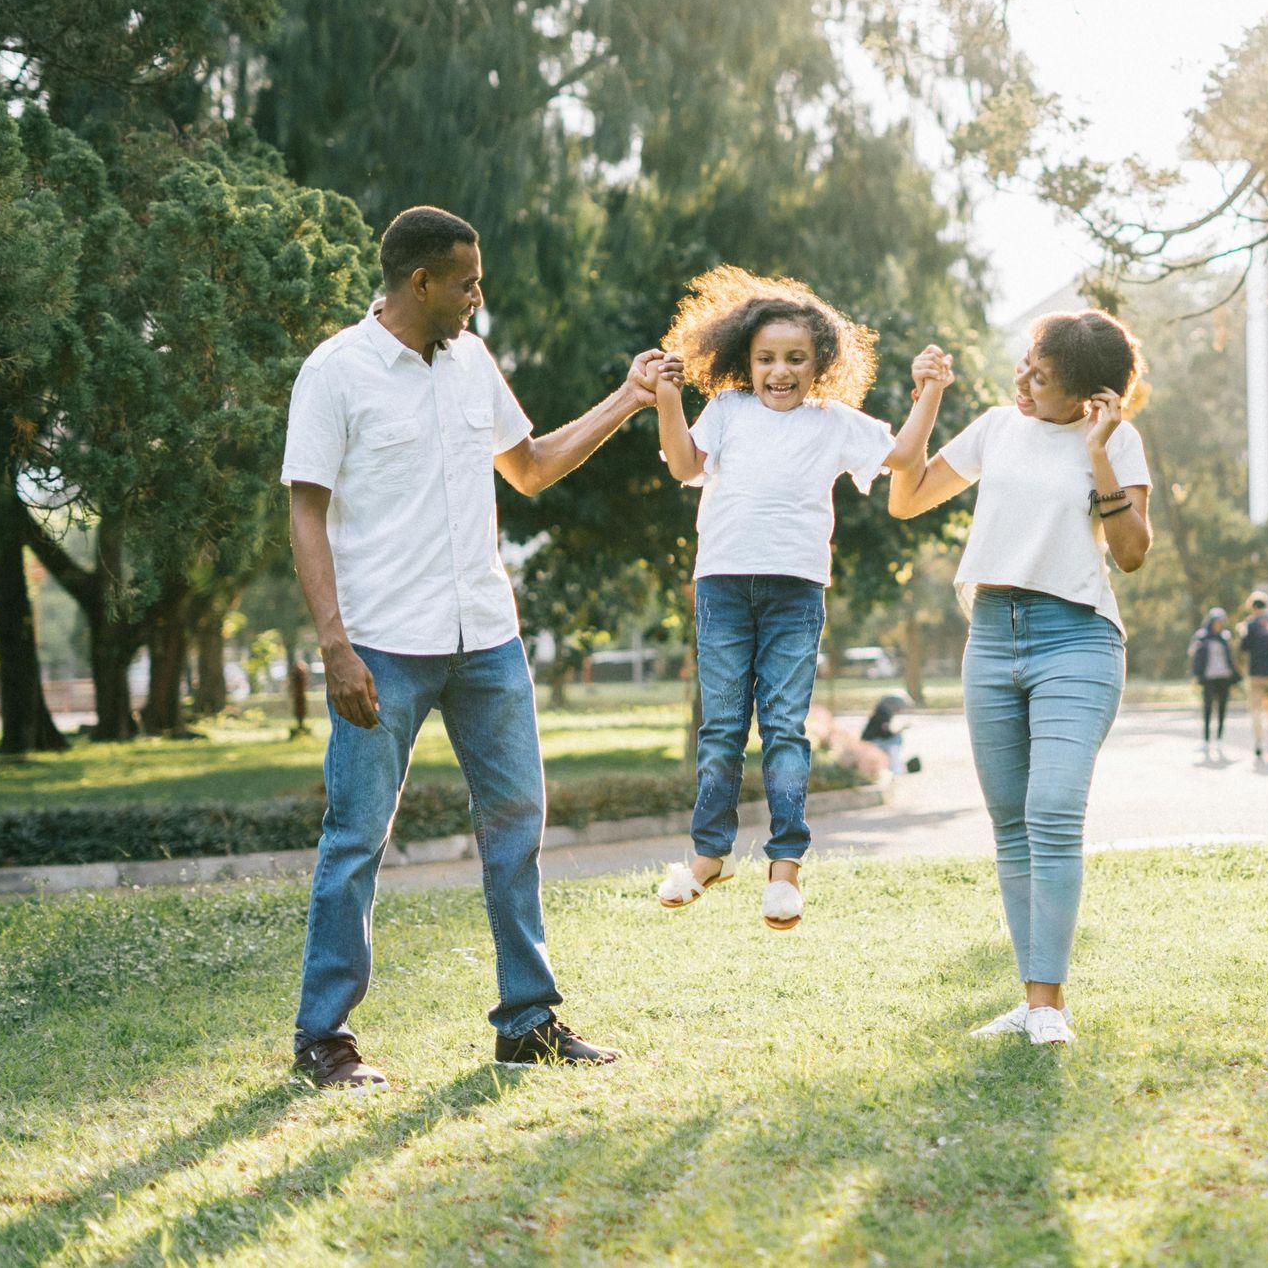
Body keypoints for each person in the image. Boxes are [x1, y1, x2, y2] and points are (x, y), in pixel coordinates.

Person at [281, 204, 663, 1089]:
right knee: (356, 838)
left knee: (517, 827)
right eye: (466, 282)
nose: (478, 297)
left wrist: (628, 397)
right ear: (420, 282)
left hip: (487, 640)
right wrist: (334, 647)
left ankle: (526, 1023)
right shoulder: (336, 372)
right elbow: (304, 509)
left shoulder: (471, 361)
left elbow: (528, 467)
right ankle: (323, 1037)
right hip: (382, 645)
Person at [650, 265, 948, 931]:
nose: (778, 372)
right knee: (723, 727)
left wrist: (927, 393)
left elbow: (902, 455)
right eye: (765, 359)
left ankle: (785, 870)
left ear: (821, 363)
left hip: (795, 592)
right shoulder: (727, 411)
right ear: (744, 361)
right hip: (723, 585)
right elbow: (683, 466)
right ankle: (709, 857)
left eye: (794, 359)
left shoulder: (834, 422)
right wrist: (668, 400)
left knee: (784, 727)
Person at [888, 309, 1152, 1049]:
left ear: (1092, 398)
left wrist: (1098, 451)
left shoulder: (1117, 439)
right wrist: (929, 397)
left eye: (1045, 378)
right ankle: (1035, 1000)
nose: (1026, 382)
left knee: (1054, 810)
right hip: (993, 636)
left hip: (1078, 638)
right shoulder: (999, 427)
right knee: (1012, 829)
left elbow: (1131, 553)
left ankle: (1048, 1006)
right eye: (1027, 366)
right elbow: (904, 499)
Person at [1238, 591, 1268, 760]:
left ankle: (1258, 741)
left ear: (1252, 607)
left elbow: (1243, 647)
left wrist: (1243, 630)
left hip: (1257, 673)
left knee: (1256, 710)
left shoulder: (1251, 625)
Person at [1187, 607, 1238, 754]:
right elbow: (1194, 656)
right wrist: (1196, 674)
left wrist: (1234, 676)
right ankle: (1206, 740)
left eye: (1221, 622)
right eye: (1217, 621)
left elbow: (1230, 659)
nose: (1219, 624)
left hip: (1224, 677)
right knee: (1208, 709)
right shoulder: (1202, 636)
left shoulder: (1225, 636)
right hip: (1208, 678)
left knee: (1222, 709)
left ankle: (1220, 740)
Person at [861, 691, 915, 775]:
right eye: (898, 706)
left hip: (873, 740)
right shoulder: (882, 714)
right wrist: (901, 730)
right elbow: (885, 734)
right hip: (871, 742)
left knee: (895, 740)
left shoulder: (881, 713)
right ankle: (895, 767)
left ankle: (894, 766)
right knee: (896, 741)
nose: (899, 709)